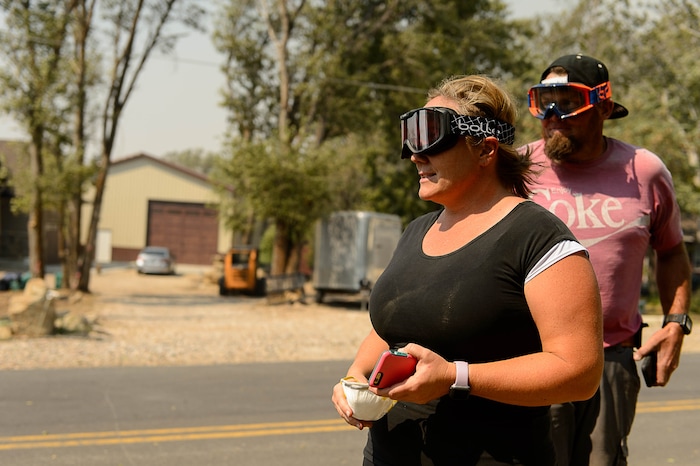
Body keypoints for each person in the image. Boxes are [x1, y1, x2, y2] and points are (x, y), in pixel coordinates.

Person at [331, 74, 604, 465]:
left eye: (431, 139)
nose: (415, 155)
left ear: (485, 149)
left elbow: (579, 371)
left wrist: (455, 377)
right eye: (411, 138)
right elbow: (391, 324)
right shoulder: (417, 231)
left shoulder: (537, 236)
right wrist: (354, 379)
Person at [525, 54, 693, 466]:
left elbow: (671, 252)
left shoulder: (645, 171)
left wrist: (675, 324)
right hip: (530, 358)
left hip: (612, 359)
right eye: (543, 102)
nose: (552, 116)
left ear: (602, 106)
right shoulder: (517, 169)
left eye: (567, 103)